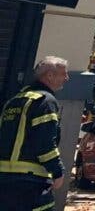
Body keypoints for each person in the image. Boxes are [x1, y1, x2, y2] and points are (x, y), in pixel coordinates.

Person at [0, 56, 69, 211]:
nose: (67, 78)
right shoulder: (46, 101)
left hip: (4, 181)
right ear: (49, 75)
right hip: (31, 184)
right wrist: (58, 172)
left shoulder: (14, 101)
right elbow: (45, 142)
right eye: (63, 74)